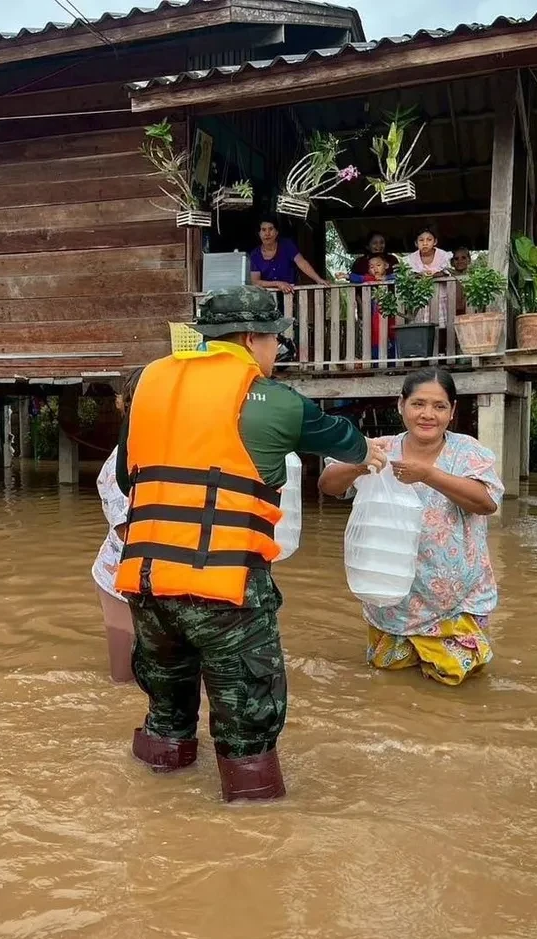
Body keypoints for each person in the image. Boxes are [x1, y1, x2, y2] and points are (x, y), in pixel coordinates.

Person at [115, 286, 387, 802]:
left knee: (166, 715)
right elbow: (347, 442)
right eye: (274, 342)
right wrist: (369, 452)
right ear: (249, 338)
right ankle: (254, 832)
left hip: (148, 587)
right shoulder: (272, 401)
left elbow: (132, 479)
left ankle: (152, 805)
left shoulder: (150, 382)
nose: (276, 353)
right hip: (226, 592)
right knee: (248, 725)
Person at [318, 369, 502, 687]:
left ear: (452, 411)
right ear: (401, 405)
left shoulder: (468, 452)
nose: (427, 414)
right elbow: (328, 485)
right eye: (418, 404)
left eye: (439, 406)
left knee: (455, 680)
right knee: (389, 680)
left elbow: (486, 503)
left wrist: (428, 475)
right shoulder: (380, 448)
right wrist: (361, 463)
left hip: (456, 601)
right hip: (393, 600)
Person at [93, 369, 145, 683]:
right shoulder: (120, 462)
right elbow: (128, 532)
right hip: (118, 579)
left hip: (157, 577)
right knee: (122, 677)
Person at [249, 219, 328, 294]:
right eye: (263, 230)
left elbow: (301, 262)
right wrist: (278, 284)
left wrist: (318, 279)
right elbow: (255, 282)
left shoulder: (287, 245)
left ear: (276, 232)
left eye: (271, 229)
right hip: (267, 297)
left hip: (290, 293)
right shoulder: (255, 255)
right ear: (259, 234)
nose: (267, 233)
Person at [347, 255, 396, 360]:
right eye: (371, 267)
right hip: (376, 314)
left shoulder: (392, 277)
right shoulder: (370, 278)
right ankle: (376, 361)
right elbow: (358, 278)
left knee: (392, 334)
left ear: (386, 265)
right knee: (375, 335)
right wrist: (345, 276)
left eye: (378, 265)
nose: (375, 269)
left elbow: (399, 276)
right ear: (369, 270)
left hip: (392, 313)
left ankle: (393, 362)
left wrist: (385, 278)